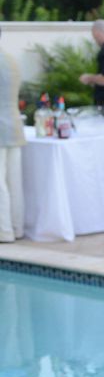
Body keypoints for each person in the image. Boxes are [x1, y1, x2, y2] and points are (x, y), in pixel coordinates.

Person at [0, 26, 25, 242]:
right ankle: (17, 227)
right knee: (14, 182)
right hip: (14, 125)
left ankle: (4, 230)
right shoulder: (11, 60)